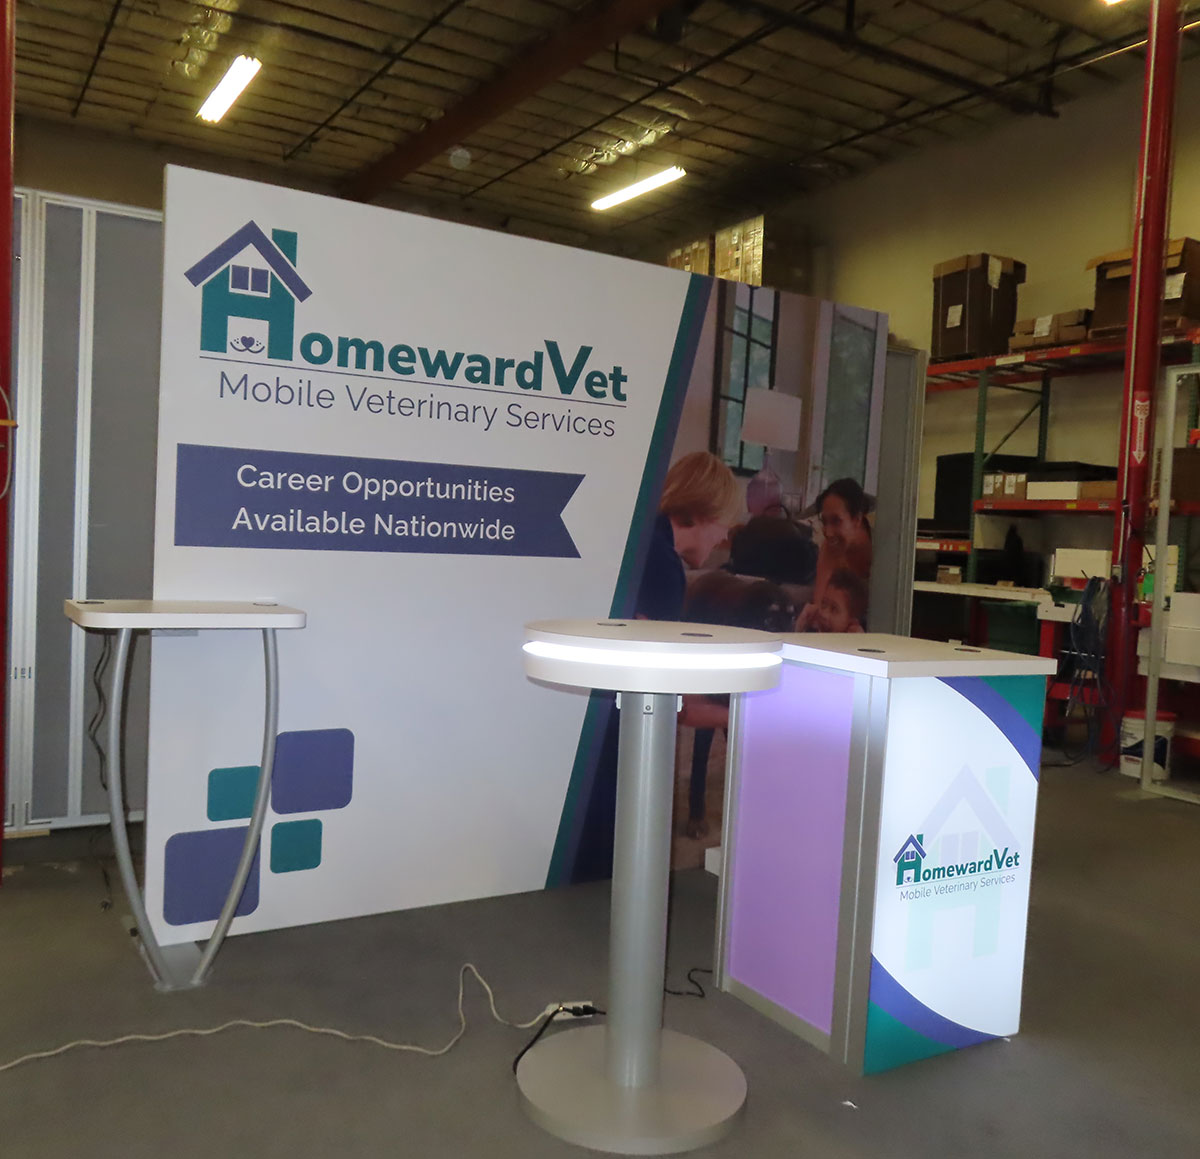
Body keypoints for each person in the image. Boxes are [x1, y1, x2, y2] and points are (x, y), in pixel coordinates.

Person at [572, 451, 737, 880]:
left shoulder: (637, 541)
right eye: (723, 524)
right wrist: (740, 716)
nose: (724, 537)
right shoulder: (662, 566)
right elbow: (670, 699)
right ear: (703, 513)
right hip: (616, 738)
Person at [797, 477, 873, 631]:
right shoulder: (830, 548)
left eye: (836, 521)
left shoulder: (885, 550)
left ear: (857, 519)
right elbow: (820, 608)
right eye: (824, 522)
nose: (828, 532)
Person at [805, 567, 868, 633]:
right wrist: (800, 627)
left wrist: (859, 639)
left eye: (834, 609)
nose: (824, 615)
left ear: (851, 623)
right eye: (823, 605)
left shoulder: (857, 638)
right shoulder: (811, 632)